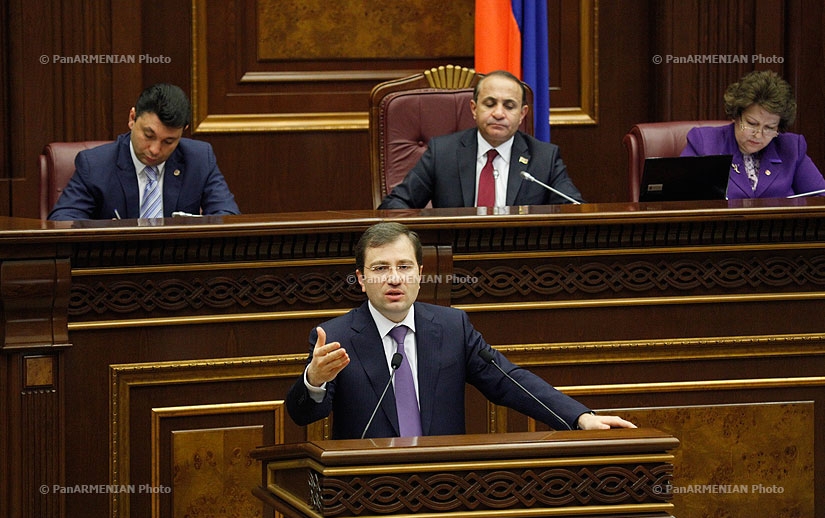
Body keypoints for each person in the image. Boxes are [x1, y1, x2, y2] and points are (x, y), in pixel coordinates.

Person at [286, 221, 635, 439]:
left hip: (446, 483)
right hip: (366, 489)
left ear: (420, 274)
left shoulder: (451, 327)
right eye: (380, 268)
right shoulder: (337, 337)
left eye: (404, 266)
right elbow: (304, 415)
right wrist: (314, 381)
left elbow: (508, 380)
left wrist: (579, 417)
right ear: (361, 279)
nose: (394, 278)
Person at [378, 70, 583, 209]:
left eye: (509, 106)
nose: (499, 113)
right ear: (474, 109)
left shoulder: (544, 158)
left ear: (522, 114)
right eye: (490, 104)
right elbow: (396, 205)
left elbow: (573, 209)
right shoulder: (443, 153)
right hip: (454, 261)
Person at [48, 83, 240, 220]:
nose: (155, 150)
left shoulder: (199, 158)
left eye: (169, 141)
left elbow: (228, 217)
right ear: (132, 118)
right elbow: (63, 220)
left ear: (184, 131)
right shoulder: (95, 164)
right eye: (148, 135)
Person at [681, 70, 825, 200]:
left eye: (769, 128)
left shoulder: (792, 149)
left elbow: (820, 198)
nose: (758, 135)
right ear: (736, 115)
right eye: (752, 123)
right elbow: (680, 197)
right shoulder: (704, 143)